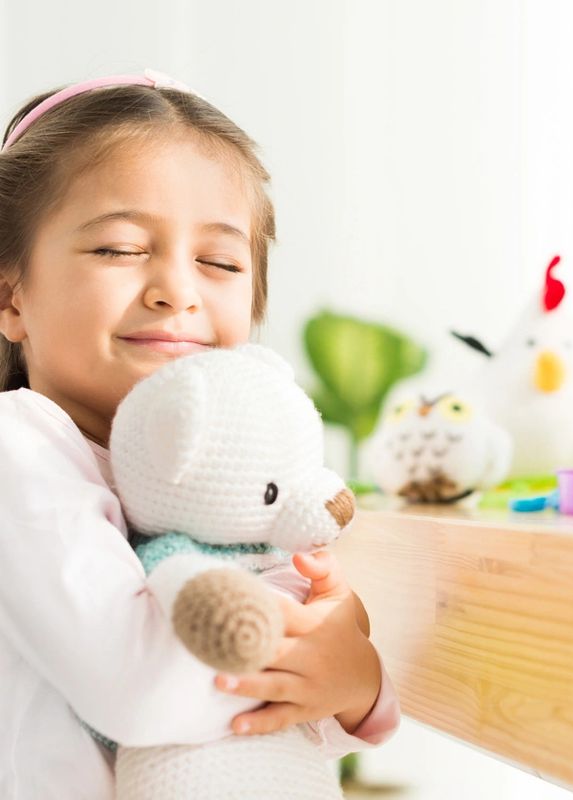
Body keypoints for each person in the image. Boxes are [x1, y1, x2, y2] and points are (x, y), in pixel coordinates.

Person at [0, 68, 400, 799]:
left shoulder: (232, 483)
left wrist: (354, 681)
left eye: (218, 261)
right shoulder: (17, 451)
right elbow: (140, 688)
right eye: (119, 250)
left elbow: (287, 730)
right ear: (11, 295)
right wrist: (308, 655)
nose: (176, 289)